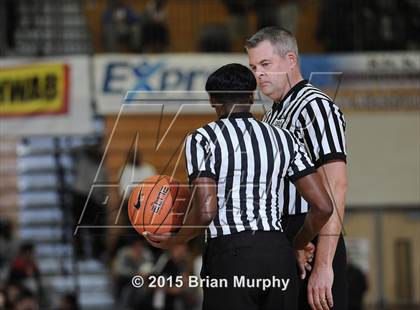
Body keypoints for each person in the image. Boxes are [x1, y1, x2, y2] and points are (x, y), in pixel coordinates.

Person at [144, 63, 335, 310]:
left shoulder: (202, 139)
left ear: (213, 100)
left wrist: (175, 239)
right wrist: (297, 244)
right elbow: (323, 207)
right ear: (252, 96)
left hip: (230, 256)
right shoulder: (283, 138)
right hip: (278, 254)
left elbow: (205, 211)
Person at [246, 27, 348, 310]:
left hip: (313, 234)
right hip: (286, 238)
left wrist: (324, 266)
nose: (259, 74)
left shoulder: (315, 107)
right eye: (253, 67)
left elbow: (336, 187)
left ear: (291, 60)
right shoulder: (273, 115)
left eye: (266, 64)